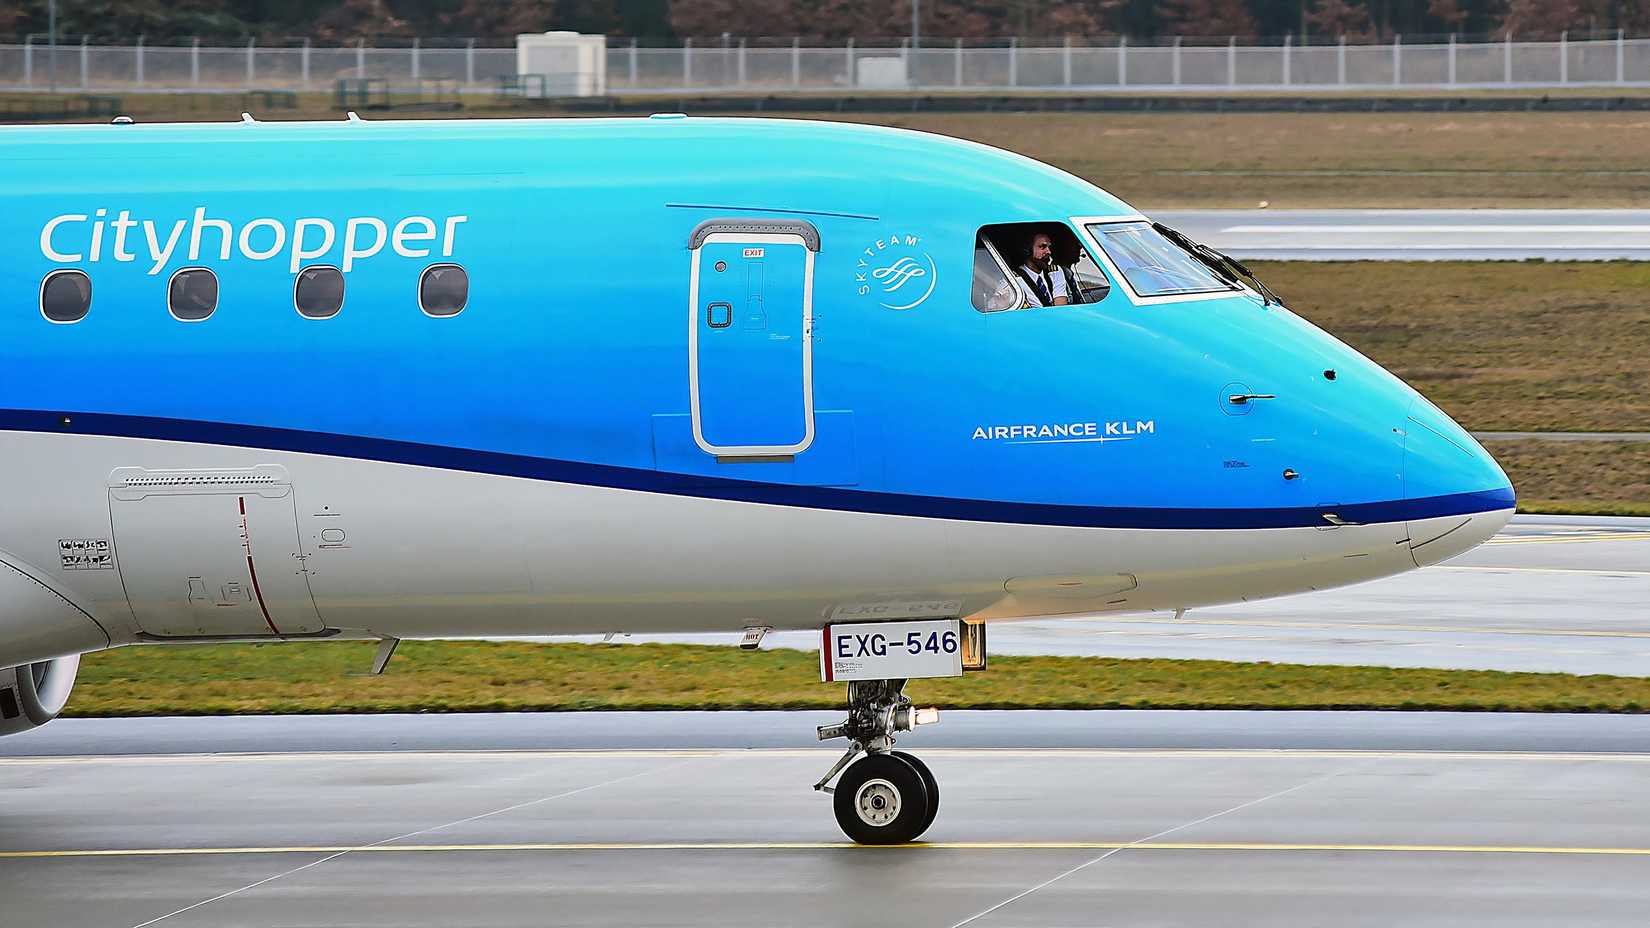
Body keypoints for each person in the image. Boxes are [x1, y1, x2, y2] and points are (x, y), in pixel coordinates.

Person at [1013, 231, 1069, 307]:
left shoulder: (1055, 271)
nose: (1048, 252)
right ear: (1028, 250)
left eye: (1049, 247)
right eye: (1042, 247)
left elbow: (1060, 307)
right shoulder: (1014, 278)